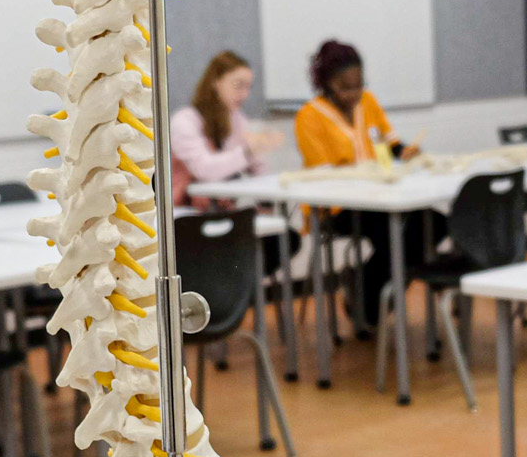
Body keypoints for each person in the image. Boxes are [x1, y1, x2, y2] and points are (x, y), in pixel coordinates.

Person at [293, 39, 423, 329]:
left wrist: (405, 152)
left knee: (431, 224)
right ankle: (368, 299)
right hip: (338, 208)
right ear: (327, 83)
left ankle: (364, 285)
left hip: (379, 198)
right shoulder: (309, 116)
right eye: (345, 87)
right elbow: (322, 173)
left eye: (359, 85)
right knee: (398, 233)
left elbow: (389, 145)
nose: (354, 93)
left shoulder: (369, 102)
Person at [172, 51, 279, 203]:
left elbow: (257, 169)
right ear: (216, 81)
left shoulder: (237, 119)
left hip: (225, 212)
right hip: (187, 215)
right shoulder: (184, 120)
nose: (245, 94)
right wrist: (248, 151)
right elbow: (204, 170)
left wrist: (259, 151)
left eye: (248, 87)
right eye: (238, 85)